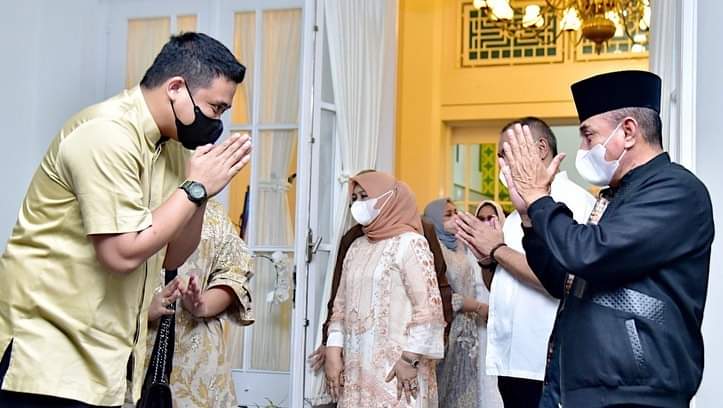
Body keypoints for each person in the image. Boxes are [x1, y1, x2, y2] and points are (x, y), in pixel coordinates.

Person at [0, 32, 250, 407]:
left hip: (106, 363)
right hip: (44, 361)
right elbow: (120, 253)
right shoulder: (106, 133)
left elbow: (173, 255)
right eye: (215, 108)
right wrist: (195, 187)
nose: (216, 122)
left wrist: (201, 193)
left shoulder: (173, 149)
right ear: (176, 89)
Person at [500, 70, 714, 407]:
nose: (583, 149)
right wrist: (529, 218)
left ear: (627, 131)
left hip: (637, 393)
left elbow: (588, 253)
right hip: (585, 388)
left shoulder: (675, 191)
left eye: (588, 136)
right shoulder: (616, 196)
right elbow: (563, 280)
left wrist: (540, 199)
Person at [455, 118, 595, 408]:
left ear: (540, 149)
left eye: (506, 153)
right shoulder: (515, 215)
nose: (501, 164)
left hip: (544, 360)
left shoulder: (573, 203)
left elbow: (560, 280)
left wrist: (497, 250)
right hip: (510, 359)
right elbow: (500, 284)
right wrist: (486, 260)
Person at [307, 170, 455, 405]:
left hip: (399, 369)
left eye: (364, 196)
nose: (358, 204)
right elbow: (340, 306)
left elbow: (429, 310)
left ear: (388, 198)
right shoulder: (356, 246)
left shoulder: (411, 243)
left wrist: (409, 359)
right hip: (357, 367)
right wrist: (333, 349)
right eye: (354, 198)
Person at [124, 199, 254, 408]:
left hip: (200, 360)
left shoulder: (213, 214)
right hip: (133, 355)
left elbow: (235, 272)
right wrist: (143, 311)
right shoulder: (130, 202)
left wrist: (203, 304)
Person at [424, 198, 503, 408]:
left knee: (464, 390)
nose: (455, 218)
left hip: (468, 330)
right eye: (448, 215)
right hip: (447, 328)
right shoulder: (433, 249)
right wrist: (477, 307)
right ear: (434, 219)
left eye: (456, 212)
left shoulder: (460, 245)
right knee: (443, 390)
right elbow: (439, 295)